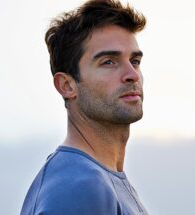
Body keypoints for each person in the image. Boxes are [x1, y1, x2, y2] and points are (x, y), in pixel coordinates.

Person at [20, 0, 148, 214]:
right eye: (109, 62)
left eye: (134, 61)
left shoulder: (100, 179)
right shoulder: (78, 186)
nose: (132, 75)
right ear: (67, 86)